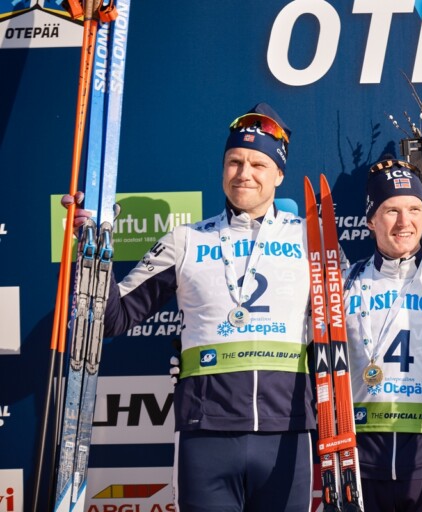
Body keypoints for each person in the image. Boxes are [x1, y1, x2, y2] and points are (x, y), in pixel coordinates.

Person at [63, 103, 314, 512]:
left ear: (279, 175)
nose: (244, 173)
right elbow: (112, 318)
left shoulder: (312, 240)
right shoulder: (186, 240)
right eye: (234, 162)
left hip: (287, 434)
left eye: (258, 164)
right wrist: (92, 248)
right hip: (206, 434)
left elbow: (351, 322)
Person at [344, 158, 422, 511]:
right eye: (391, 211)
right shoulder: (346, 283)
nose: (405, 222)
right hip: (363, 460)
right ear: (370, 220)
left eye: (415, 210)